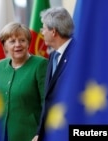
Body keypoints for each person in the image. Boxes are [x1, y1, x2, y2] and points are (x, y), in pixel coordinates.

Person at [0, 22, 48, 141]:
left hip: (29, 135)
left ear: (28, 43)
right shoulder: (0, 65)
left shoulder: (40, 65)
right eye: (12, 41)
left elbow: (47, 102)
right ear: (4, 45)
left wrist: (41, 133)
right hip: (1, 133)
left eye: (22, 40)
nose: (18, 45)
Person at [32, 7, 76, 141]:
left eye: (43, 28)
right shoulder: (52, 56)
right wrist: (40, 132)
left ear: (53, 31)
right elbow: (48, 99)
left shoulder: (78, 55)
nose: (41, 32)